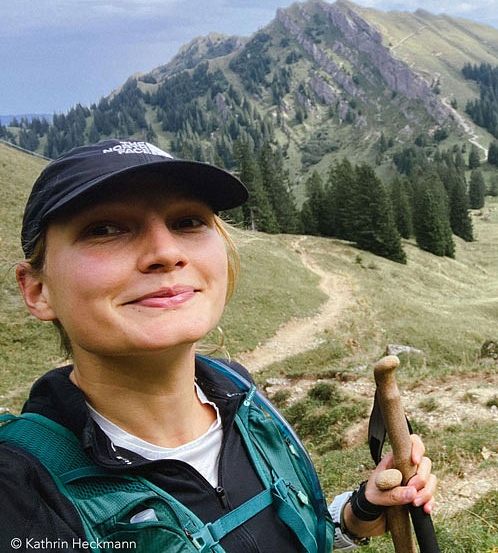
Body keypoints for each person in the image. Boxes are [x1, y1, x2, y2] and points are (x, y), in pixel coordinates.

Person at [0, 138, 436, 551]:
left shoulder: (238, 393)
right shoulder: (18, 489)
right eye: (105, 228)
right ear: (38, 289)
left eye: (188, 221)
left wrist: (356, 514)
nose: (166, 252)